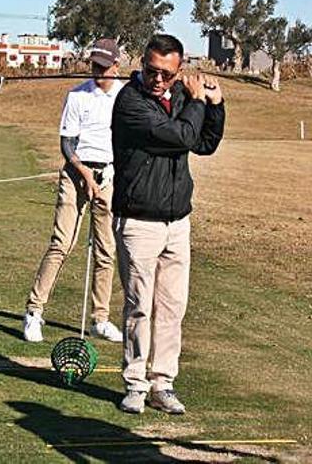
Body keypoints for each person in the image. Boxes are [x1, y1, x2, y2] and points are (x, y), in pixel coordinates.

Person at [111, 34, 224, 415]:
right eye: (151, 71)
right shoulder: (130, 103)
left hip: (178, 221)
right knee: (139, 306)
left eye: (166, 74)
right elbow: (182, 135)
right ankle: (135, 384)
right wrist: (194, 100)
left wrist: (216, 103)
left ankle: (163, 383)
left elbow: (205, 142)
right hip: (139, 220)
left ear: (177, 72)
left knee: (172, 307)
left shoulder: (177, 97)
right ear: (142, 65)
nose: (158, 79)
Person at [23, 38, 125, 344]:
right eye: (95, 65)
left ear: (116, 66)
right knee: (61, 243)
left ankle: (100, 319)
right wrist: (84, 175)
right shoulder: (77, 95)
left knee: (106, 251)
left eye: (104, 67)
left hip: (108, 174)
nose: (98, 71)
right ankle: (33, 312)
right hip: (75, 172)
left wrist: (108, 173)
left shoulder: (125, 96)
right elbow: (66, 144)